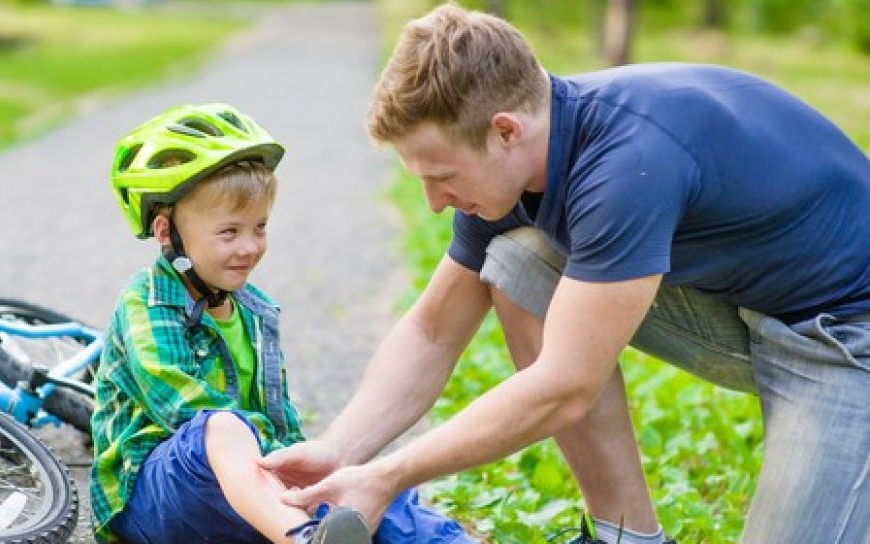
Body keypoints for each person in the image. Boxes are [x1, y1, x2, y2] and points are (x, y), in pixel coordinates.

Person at [259, 3, 870, 544]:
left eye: (441, 177)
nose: (436, 203)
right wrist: (341, 452)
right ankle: (624, 535)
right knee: (519, 259)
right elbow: (434, 331)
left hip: (847, 340)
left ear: (505, 130)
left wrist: (389, 476)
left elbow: (564, 386)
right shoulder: (517, 165)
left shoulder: (626, 164)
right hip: (753, 312)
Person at [90, 103, 475, 544]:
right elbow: (181, 405)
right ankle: (303, 539)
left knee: (357, 483)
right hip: (156, 500)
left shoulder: (256, 312)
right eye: (229, 232)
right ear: (166, 232)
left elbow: (281, 422)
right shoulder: (147, 302)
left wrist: (312, 473)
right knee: (221, 427)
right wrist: (280, 466)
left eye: (260, 227)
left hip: (250, 494)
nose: (250, 247)